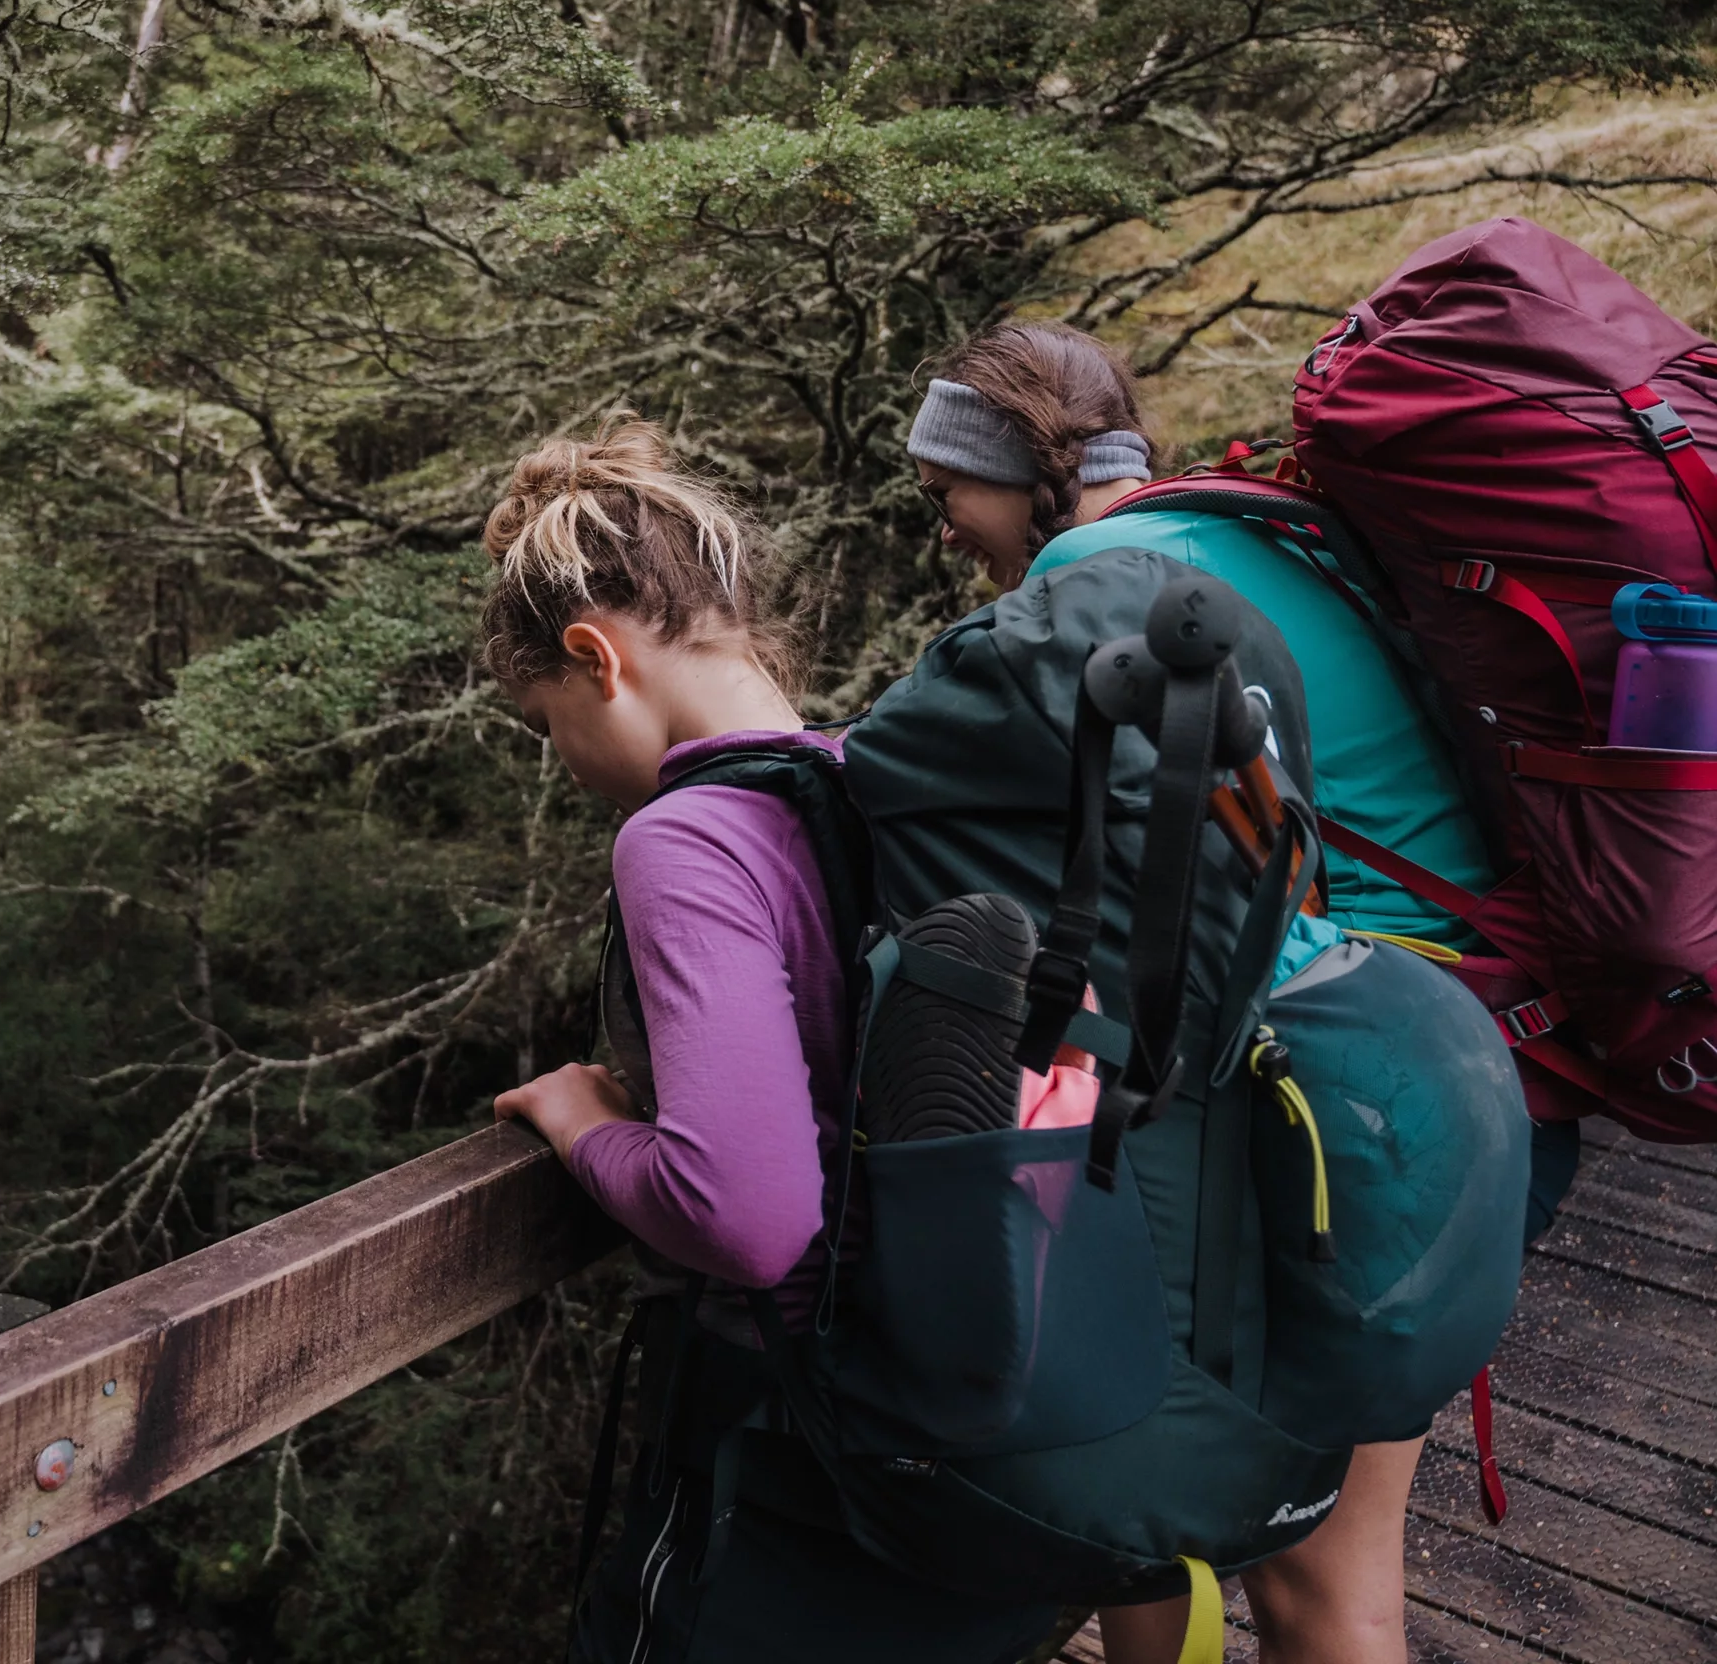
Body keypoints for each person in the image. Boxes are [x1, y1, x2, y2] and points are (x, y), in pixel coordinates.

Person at [906, 320, 1564, 1664]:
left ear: (1029, 468)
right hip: (1476, 1072)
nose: (945, 531)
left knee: (1311, 1581)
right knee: (1314, 1563)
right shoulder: (1233, 531)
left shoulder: (1104, 581)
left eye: (945, 492)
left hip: (1364, 1112)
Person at [483, 416, 1063, 1663]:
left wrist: (582, 1123)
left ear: (595, 655)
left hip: (797, 1441)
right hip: (966, 1387)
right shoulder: (863, 776)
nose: (566, 763)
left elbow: (746, 1211)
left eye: (546, 722)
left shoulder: (684, 839)